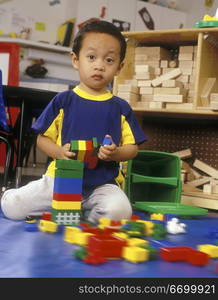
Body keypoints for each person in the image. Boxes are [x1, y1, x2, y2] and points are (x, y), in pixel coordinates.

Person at [1, 20, 146, 223]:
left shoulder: (120, 107)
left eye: (109, 60)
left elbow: (133, 148)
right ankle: (10, 194)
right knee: (12, 206)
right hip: (60, 180)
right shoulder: (63, 101)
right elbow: (41, 139)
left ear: (120, 67)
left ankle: (84, 213)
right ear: (76, 60)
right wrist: (59, 152)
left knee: (120, 212)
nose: (99, 65)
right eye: (92, 57)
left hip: (102, 184)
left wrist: (115, 153)